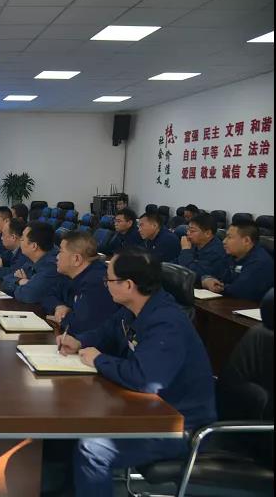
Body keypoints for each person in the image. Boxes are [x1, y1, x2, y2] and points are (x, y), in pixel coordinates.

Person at [58, 248, 216, 497]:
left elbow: (146, 379)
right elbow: (107, 332)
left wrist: (99, 360)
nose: (105, 285)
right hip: (148, 410)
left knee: (93, 448)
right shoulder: (135, 308)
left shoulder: (167, 322)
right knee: (75, 421)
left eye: (109, 280)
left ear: (128, 285)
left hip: (180, 425)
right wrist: (80, 341)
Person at [42, 231, 118, 334]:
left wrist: (63, 318)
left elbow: (82, 326)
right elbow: (47, 295)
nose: (57, 256)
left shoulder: (96, 283)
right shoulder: (69, 273)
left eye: (61, 252)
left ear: (76, 259)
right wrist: (58, 306)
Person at [201, 222, 274, 301]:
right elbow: (212, 272)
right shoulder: (232, 255)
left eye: (229, 237)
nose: (224, 241)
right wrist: (206, 279)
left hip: (249, 306)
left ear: (246, 240)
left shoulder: (260, 262)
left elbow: (239, 291)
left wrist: (218, 286)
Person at [0, 222, 62, 304]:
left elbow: (28, 295)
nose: (20, 241)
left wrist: (26, 285)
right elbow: (5, 281)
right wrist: (21, 281)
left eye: (22, 239)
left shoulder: (51, 266)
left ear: (33, 246)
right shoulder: (32, 260)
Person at [176, 212, 226, 282]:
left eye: (192, 231)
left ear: (207, 233)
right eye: (188, 230)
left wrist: (185, 251)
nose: (187, 233)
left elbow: (193, 275)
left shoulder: (216, 252)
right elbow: (178, 262)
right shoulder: (195, 243)